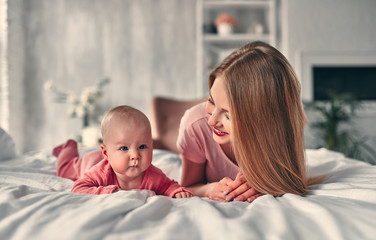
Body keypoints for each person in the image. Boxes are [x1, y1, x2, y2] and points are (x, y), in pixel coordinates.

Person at [177, 41, 323, 202]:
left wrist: (262, 182)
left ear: (264, 122)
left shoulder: (287, 119)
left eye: (228, 116)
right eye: (211, 101)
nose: (212, 121)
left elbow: (291, 178)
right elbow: (187, 187)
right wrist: (209, 189)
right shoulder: (196, 125)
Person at [53, 105, 192, 198]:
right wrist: (108, 191)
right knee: (65, 169)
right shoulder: (101, 173)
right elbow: (78, 188)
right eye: (124, 148)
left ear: (152, 145)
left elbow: (168, 185)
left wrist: (177, 191)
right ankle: (69, 146)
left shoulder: (153, 175)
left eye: (142, 146)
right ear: (106, 153)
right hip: (89, 162)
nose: (135, 155)